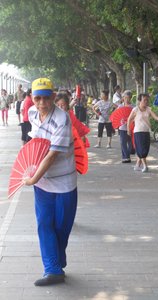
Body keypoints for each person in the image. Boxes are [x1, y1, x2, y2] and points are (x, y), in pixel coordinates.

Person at [23, 78, 77, 286]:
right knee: (44, 224)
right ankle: (52, 269)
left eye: (46, 98)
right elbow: (34, 142)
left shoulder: (62, 119)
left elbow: (53, 154)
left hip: (64, 184)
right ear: (31, 99)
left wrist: (32, 178)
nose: (42, 104)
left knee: (62, 227)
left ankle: (58, 261)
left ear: (54, 97)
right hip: (42, 183)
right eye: (37, 99)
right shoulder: (32, 114)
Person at [127, 93, 158, 172]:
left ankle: (137, 165)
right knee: (141, 149)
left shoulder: (149, 109)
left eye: (147, 100)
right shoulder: (135, 110)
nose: (146, 102)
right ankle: (145, 166)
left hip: (146, 131)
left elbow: (156, 117)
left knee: (145, 149)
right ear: (140, 101)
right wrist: (128, 130)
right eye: (144, 100)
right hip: (138, 132)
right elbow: (129, 119)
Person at [118, 90, 134, 163]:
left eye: (128, 98)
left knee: (130, 143)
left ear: (130, 98)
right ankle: (125, 157)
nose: (127, 99)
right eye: (125, 98)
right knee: (123, 142)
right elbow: (117, 115)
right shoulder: (120, 106)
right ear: (123, 98)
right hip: (122, 127)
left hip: (131, 127)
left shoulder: (133, 107)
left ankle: (129, 153)